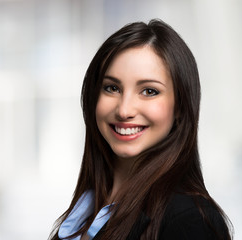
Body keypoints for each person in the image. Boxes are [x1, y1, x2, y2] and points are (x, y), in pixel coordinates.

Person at [49, 19, 232, 240]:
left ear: (180, 107)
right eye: (112, 88)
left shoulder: (190, 219)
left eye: (149, 91)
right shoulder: (87, 206)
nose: (124, 110)